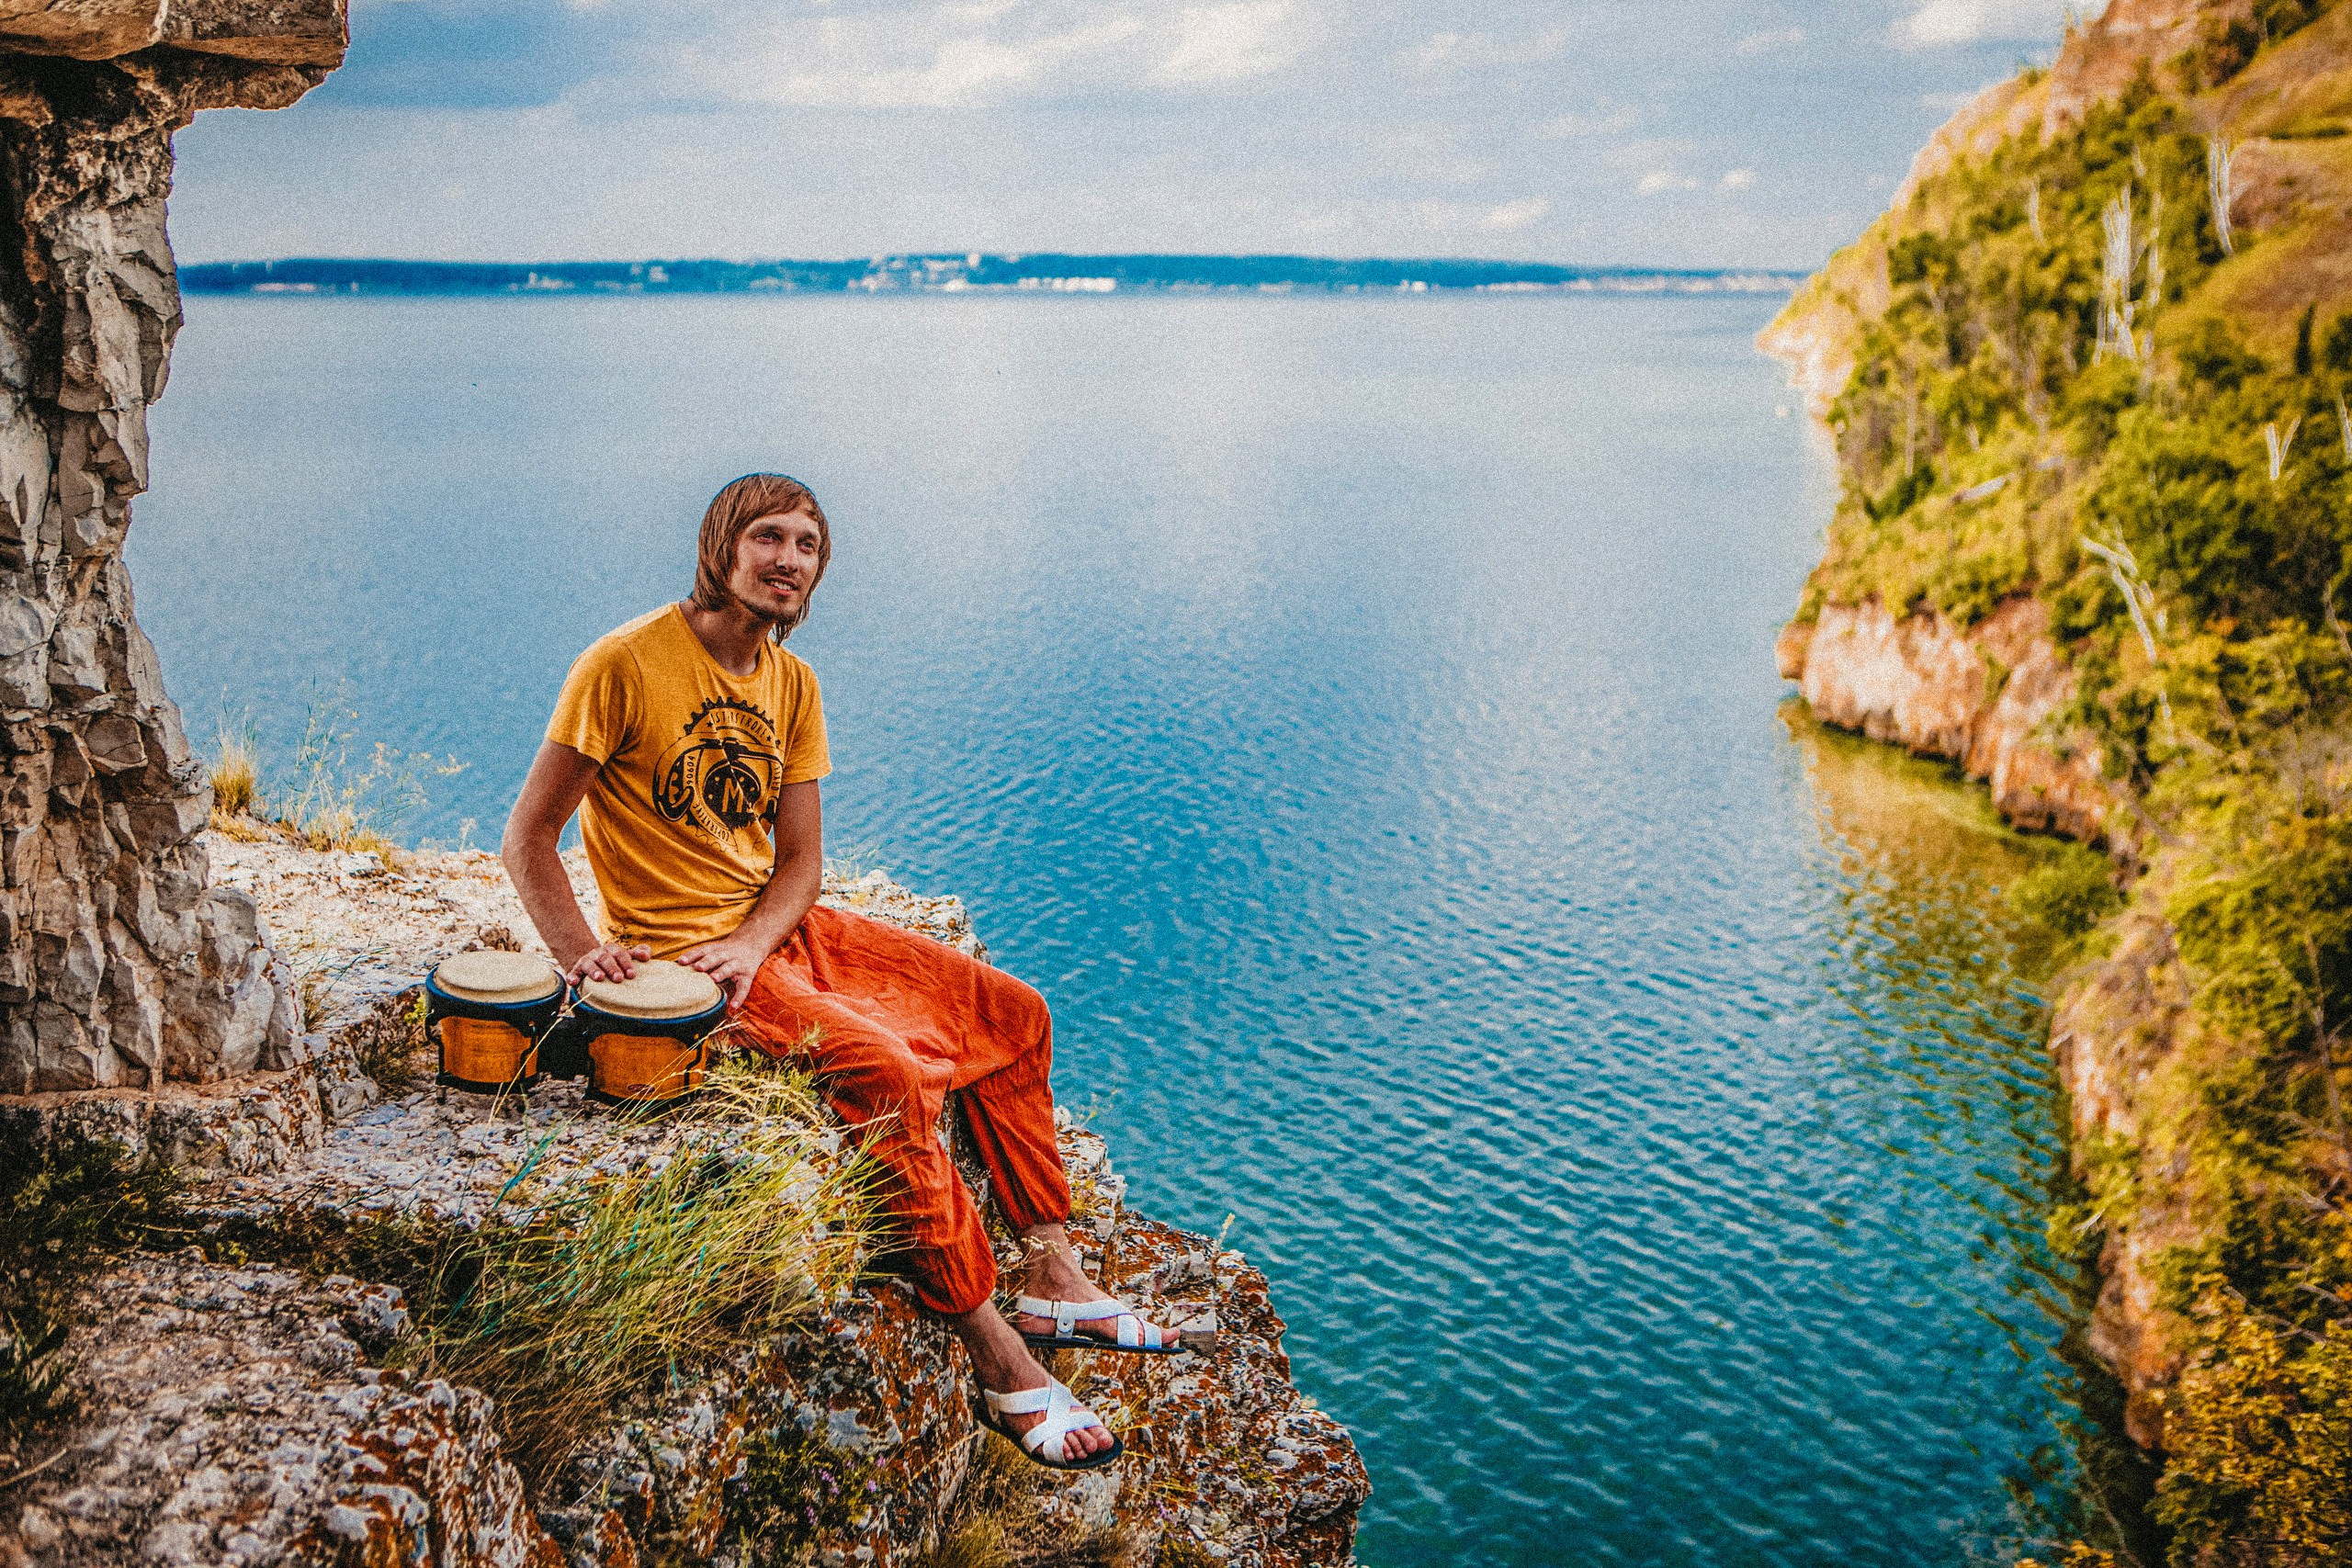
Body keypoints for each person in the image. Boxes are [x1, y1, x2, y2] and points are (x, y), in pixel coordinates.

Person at [501, 472, 1188, 1472]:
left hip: (779, 931)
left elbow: (800, 865)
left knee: (1013, 1012)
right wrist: (584, 960)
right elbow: (530, 837)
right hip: (690, 955)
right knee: (889, 1075)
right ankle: (995, 1348)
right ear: (721, 548)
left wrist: (762, 935)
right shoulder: (623, 663)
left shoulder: (792, 682)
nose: (787, 560)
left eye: (808, 545)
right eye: (768, 538)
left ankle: (1052, 1270)